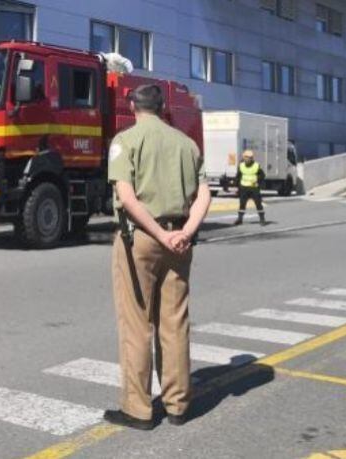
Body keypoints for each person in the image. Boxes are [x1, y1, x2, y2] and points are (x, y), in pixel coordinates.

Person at [104, 85, 212, 430]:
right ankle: (178, 404)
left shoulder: (126, 140)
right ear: (164, 107)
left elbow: (127, 196)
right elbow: (205, 193)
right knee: (175, 321)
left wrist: (159, 233)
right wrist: (184, 232)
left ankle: (138, 410)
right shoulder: (186, 143)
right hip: (179, 240)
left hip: (142, 239)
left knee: (137, 324)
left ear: (132, 105)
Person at [234, 150, 266, 225]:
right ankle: (240, 219)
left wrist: (257, 181)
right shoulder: (241, 166)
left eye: (250, 158)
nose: (248, 159)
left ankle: (262, 219)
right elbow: (238, 177)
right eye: (247, 157)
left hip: (254, 188)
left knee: (258, 203)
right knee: (242, 204)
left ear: (252, 158)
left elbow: (262, 175)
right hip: (243, 188)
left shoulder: (256, 165)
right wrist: (237, 187)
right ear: (244, 158)